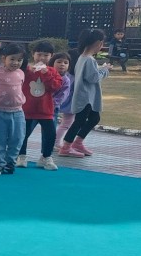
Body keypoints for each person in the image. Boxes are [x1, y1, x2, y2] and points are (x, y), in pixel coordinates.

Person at [60, 29, 109, 158]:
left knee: (94, 118)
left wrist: (100, 69)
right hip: (86, 97)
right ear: (98, 43)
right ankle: (66, 146)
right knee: (79, 121)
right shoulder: (88, 59)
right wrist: (105, 70)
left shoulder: (83, 57)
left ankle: (77, 142)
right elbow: (93, 78)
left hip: (86, 96)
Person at [17, 40, 64, 170]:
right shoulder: (26, 70)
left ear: (51, 56)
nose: (42, 58)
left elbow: (55, 87)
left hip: (46, 110)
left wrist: (46, 73)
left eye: (46, 55)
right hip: (27, 109)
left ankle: (46, 157)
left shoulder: (53, 71)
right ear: (33, 54)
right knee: (23, 134)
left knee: (50, 134)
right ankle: (21, 155)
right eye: (39, 54)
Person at [0, 42, 28, 175]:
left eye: (19, 60)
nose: (16, 63)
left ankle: (10, 162)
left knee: (17, 138)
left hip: (17, 112)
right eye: (12, 59)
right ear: (4, 58)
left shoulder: (21, 73)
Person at [51, 51, 74, 147]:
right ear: (52, 63)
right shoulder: (47, 75)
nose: (62, 64)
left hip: (52, 109)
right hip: (39, 107)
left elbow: (62, 96)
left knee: (49, 130)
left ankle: (49, 149)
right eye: (59, 62)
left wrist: (52, 103)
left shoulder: (66, 80)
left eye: (65, 62)